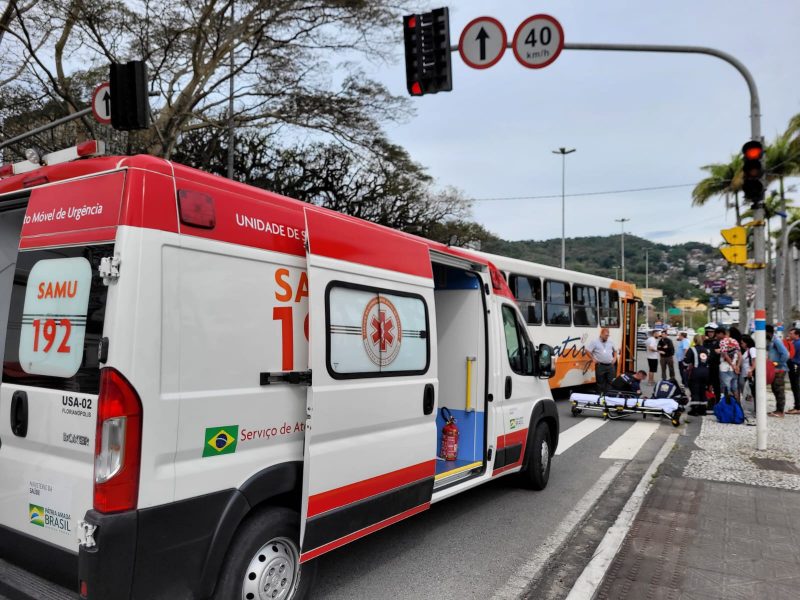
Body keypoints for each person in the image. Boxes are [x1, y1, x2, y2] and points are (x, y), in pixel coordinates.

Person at [766, 324, 790, 417]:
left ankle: (780, 411)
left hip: (779, 369)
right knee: (775, 389)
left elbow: (785, 354)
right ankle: (778, 410)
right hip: (775, 369)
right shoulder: (771, 341)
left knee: (779, 389)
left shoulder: (776, 341)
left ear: (768, 332)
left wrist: (778, 364)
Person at [684, 335, 711, 415]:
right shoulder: (706, 350)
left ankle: (694, 409)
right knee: (703, 390)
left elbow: (686, 362)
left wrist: (686, 367)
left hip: (696, 371)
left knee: (695, 389)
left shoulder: (692, 349)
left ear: (694, 341)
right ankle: (703, 409)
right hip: (706, 372)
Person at [587, 327, 617, 395]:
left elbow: (615, 350)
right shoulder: (594, 342)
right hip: (600, 366)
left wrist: (614, 358)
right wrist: (593, 359)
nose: (607, 337)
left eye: (608, 335)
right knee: (600, 383)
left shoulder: (611, 341)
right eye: (606, 335)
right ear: (601, 334)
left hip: (610, 365)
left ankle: (609, 396)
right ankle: (600, 397)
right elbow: (588, 351)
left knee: (611, 382)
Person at [717, 327, 741, 401]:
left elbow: (725, 355)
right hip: (734, 369)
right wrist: (737, 366)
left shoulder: (722, 342)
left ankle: (727, 407)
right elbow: (740, 355)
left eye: (717, 334)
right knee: (735, 389)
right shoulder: (735, 341)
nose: (717, 336)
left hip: (725, 369)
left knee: (726, 389)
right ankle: (737, 406)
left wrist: (732, 365)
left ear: (722, 333)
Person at [702, 323, 721, 406]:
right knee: (706, 384)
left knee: (716, 385)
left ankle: (717, 400)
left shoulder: (718, 342)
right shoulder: (704, 342)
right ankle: (708, 400)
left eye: (712, 332)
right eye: (708, 332)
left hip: (715, 366)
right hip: (706, 367)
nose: (710, 333)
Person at [786, 327, 800, 415]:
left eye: (791, 334)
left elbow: (789, 353)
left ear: (797, 335)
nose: (789, 335)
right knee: (794, 386)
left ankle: (798, 407)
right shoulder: (793, 342)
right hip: (793, 364)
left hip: (795, 365)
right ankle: (797, 405)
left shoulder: (797, 343)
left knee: (795, 386)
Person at [739, 334, 756, 404]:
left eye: (742, 343)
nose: (741, 345)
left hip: (749, 375)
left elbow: (755, 360)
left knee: (751, 393)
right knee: (747, 393)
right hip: (745, 375)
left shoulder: (752, 349)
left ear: (747, 343)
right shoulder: (746, 351)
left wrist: (751, 370)